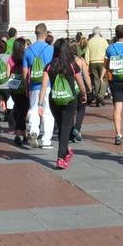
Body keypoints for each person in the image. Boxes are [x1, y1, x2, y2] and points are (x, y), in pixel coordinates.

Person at [41, 39, 88, 170]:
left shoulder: (49, 66)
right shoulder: (72, 65)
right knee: (66, 127)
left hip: (54, 100)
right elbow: (80, 83)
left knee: (62, 126)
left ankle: (66, 152)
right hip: (70, 99)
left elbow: (44, 86)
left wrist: (40, 104)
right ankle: (60, 158)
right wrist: (84, 94)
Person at [23, 25, 54, 150]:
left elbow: (25, 72)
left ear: (35, 34)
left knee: (33, 108)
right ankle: (46, 140)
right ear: (45, 34)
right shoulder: (51, 49)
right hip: (49, 85)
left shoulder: (28, 50)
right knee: (48, 112)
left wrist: (26, 87)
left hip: (34, 85)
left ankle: (33, 131)